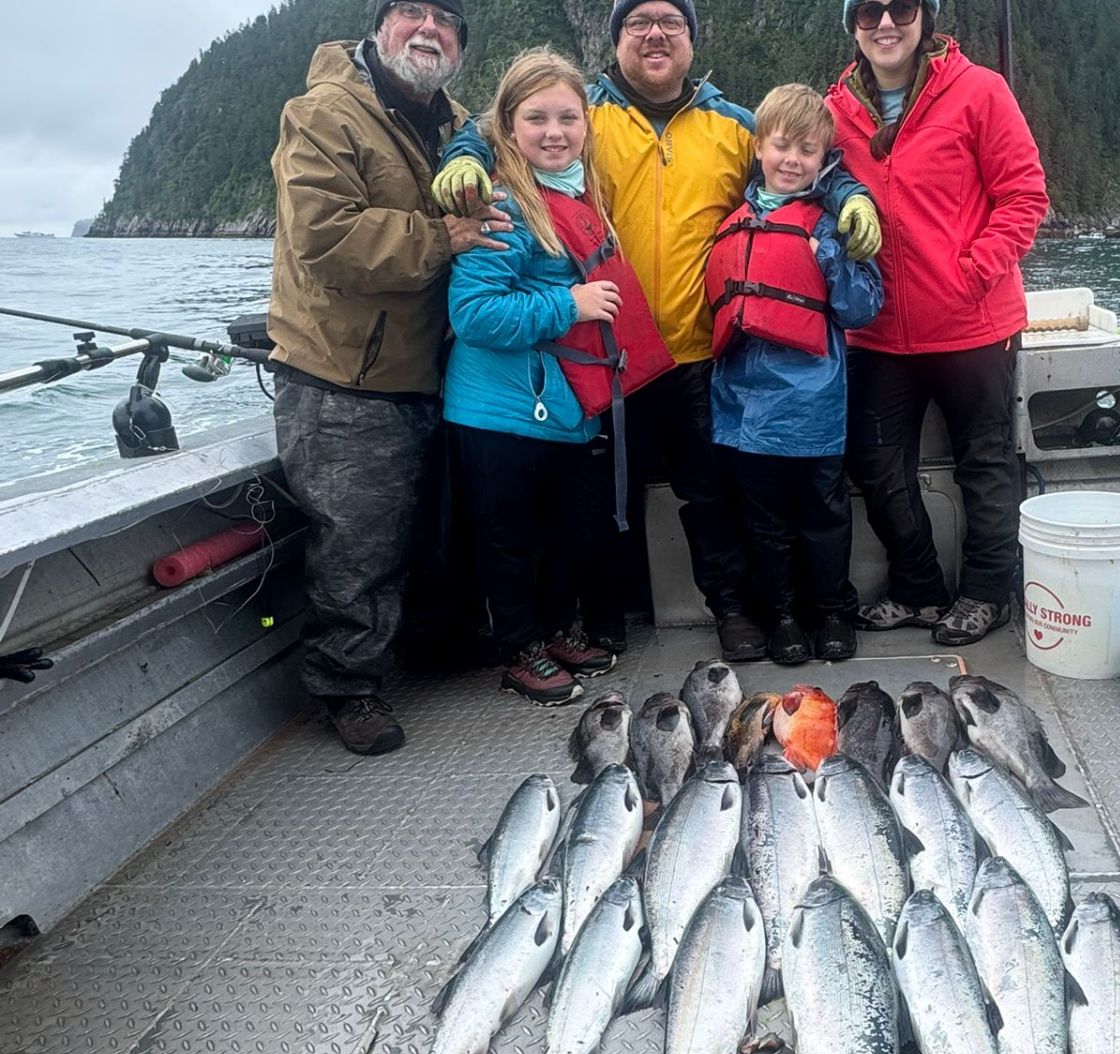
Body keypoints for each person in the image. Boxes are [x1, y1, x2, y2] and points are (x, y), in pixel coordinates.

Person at [430, 0, 884, 663]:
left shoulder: (736, 126)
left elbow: (806, 160)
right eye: (637, 20)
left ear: (692, 40)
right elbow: (499, 124)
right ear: (615, 39)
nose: (655, 34)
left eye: (672, 21)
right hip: (607, 352)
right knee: (606, 500)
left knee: (711, 496)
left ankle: (731, 609)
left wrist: (852, 197)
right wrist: (463, 153)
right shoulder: (582, 113)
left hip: (700, 351)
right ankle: (604, 619)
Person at [267, 0, 510, 754]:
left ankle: (434, 646)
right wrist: (445, 236)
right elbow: (326, 236)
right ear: (381, 28)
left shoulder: (459, 124)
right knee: (357, 542)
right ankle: (347, 687)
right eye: (411, 12)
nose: (428, 29)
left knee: (436, 527)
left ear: (461, 46)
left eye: (445, 19)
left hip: (436, 367)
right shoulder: (323, 114)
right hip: (344, 371)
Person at [446, 47, 674, 706]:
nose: (554, 132)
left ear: (586, 126)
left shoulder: (580, 193)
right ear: (508, 128)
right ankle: (518, 647)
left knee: (571, 528)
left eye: (568, 118)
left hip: (565, 409)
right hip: (500, 409)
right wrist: (566, 305)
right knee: (510, 540)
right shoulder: (500, 202)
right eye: (536, 118)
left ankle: (551, 629)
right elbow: (473, 313)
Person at [826, 0, 1049, 645]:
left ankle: (986, 593)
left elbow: (1024, 193)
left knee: (983, 464)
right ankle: (918, 587)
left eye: (902, 7)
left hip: (972, 325)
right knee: (876, 465)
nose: (885, 23)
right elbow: (809, 184)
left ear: (926, 17)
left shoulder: (980, 90)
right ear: (854, 24)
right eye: (869, 11)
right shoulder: (834, 108)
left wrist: (972, 272)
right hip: (875, 329)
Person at [707, 84, 883, 664]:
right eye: (782, 146)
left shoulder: (832, 222)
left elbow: (860, 308)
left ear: (824, 158)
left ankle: (833, 610)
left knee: (824, 517)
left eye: (807, 151)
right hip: (742, 406)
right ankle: (781, 615)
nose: (792, 160)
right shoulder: (730, 220)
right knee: (764, 524)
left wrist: (829, 253)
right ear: (759, 147)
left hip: (814, 405)